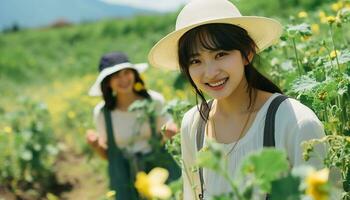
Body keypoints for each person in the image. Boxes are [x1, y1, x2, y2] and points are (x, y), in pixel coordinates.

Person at [148, 0, 326, 199]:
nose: (210, 73)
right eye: (195, 60)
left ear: (247, 53)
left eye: (220, 54)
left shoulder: (295, 122)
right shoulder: (193, 125)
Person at [86, 52, 180, 200]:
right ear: (107, 82)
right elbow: (108, 155)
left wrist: (171, 134)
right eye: (116, 76)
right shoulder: (102, 113)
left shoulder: (154, 101)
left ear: (134, 75)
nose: (123, 79)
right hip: (124, 177)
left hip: (158, 171)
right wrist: (96, 145)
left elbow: (169, 138)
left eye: (127, 72)